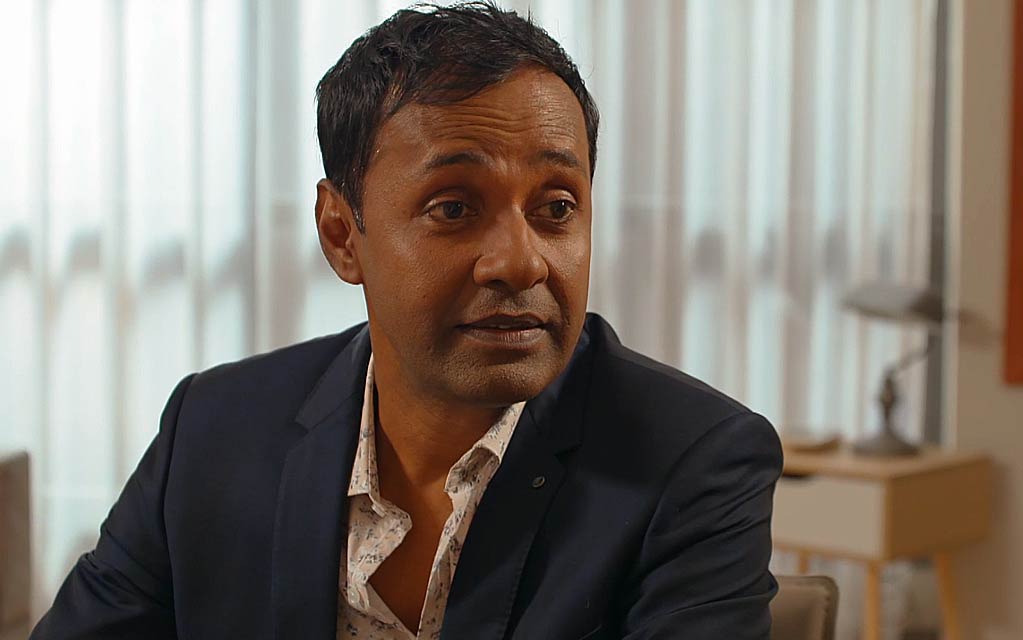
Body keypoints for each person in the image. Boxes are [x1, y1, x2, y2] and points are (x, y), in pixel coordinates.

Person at [32, 3, 783, 638]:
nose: (520, 263)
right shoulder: (213, 429)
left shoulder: (693, 465)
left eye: (557, 207)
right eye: (453, 208)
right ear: (341, 234)